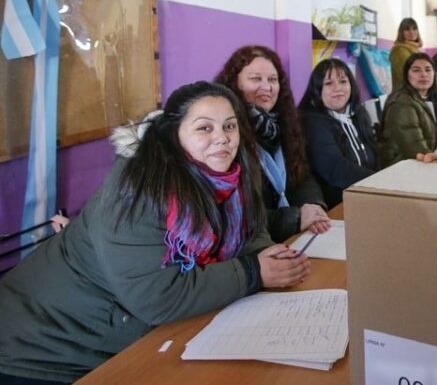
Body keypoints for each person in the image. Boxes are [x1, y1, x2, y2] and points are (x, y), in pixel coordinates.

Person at [0, 82, 311, 383]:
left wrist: (270, 256)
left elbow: (250, 231)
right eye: (205, 128)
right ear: (173, 135)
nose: (223, 139)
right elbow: (156, 297)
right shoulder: (135, 190)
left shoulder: (232, 173)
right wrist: (253, 271)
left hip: (121, 331)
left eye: (230, 126)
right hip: (40, 347)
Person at [215, 46, 330, 242]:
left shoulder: (283, 125)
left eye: (272, 80)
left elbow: (301, 174)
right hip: (252, 247)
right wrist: (295, 218)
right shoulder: (225, 134)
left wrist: (311, 204)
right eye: (255, 78)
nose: (267, 87)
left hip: (291, 236)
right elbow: (233, 215)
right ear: (235, 83)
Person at [299, 58, 378, 208]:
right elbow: (334, 168)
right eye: (328, 83)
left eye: (343, 81)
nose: (338, 88)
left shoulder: (358, 114)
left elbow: (375, 153)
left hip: (365, 196)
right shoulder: (311, 121)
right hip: (337, 206)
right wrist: (379, 181)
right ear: (317, 89)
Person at [378, 53, 437, 167]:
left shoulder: (435, 98)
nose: (423, 74)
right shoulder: (401, 103)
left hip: (424, 165)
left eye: (428, 70)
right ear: (407, 75)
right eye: (416, 70)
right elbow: (416, 151)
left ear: (434, 74)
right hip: (400, 170)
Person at [389, 17, 423, 92]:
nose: (411, 32)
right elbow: (407, 76)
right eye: (407, 29)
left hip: (417, 94)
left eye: (414, 28)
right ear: (401, 33)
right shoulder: (400, 50)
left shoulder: (416, 49)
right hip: (405, 96)